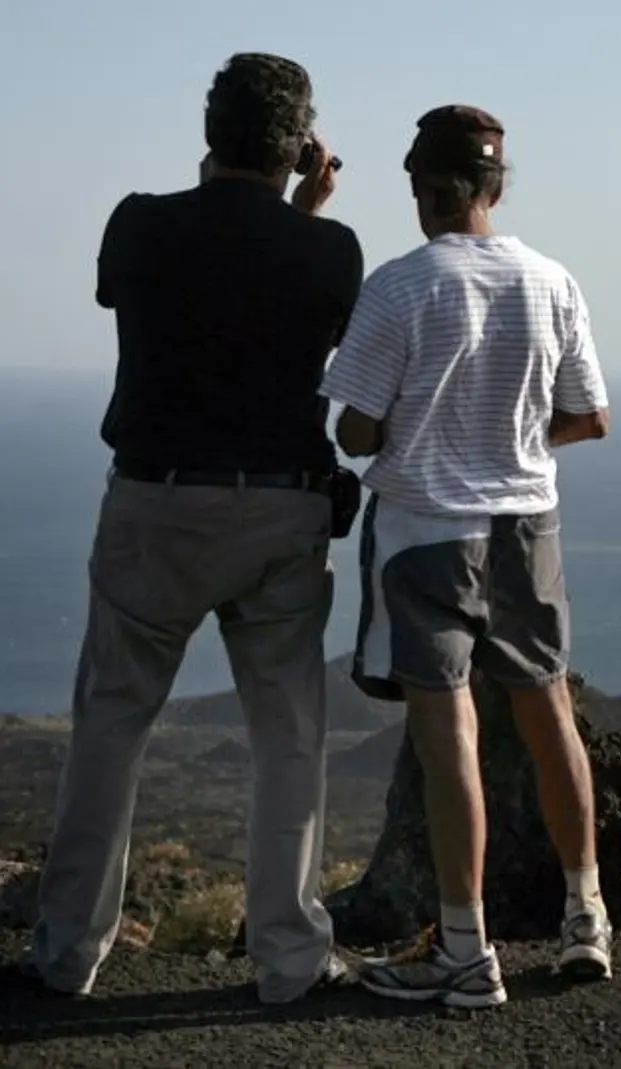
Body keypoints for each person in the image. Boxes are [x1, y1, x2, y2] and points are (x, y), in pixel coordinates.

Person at [30, 53, 359, 1003]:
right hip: (283, 510)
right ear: (299, 144)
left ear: (209, 132)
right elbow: (274, 286)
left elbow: (194, 280)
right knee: (288, 737)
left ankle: (65, 954)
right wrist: (308, 208)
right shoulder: (329, 250)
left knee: (110, 729)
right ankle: (290, 960)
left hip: (155, 507)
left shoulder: (140, 224)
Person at [319, 104, 613, 1009]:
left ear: (422, 188)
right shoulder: (551, 280)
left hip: (424, 535)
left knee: (450, 737)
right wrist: (511, 439)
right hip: (528, 526)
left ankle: (464, 948)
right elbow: (590, 416)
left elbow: (356, 427)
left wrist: (422, 431)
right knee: (547, 710)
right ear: (495, 186)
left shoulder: (399, 287)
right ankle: (586, 915)